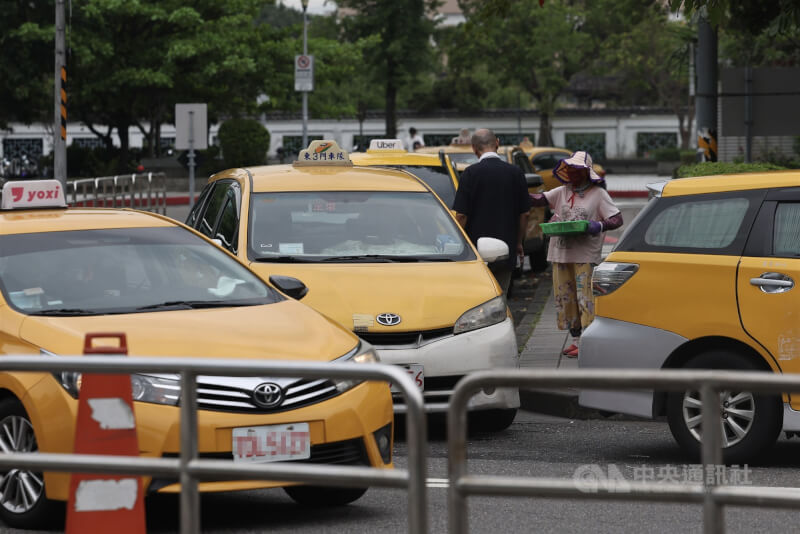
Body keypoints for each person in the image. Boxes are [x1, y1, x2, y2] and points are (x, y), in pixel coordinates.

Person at [529, 151, 623, 357]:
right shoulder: (562, 191)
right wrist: (517, 191)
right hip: (561, 253)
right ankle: (576, 340)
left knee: (585, 298)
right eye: (569, 169)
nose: (572, 173)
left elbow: (617, 219)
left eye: (576, 169)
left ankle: (587, 343)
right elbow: (538, 200)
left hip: (585, 255)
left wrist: (597, 225)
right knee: (566, 298)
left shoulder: (598, 194)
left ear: (586, 172)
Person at [452, 128, 531, 295]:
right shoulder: (515, 173)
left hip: (476, 252)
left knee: (479, 298)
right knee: (501, 295)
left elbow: (461, 215)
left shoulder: (470, 174)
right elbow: (525, 214)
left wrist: (458, 244)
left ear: (474, 148)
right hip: (506, 247)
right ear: (497, 143)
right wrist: (518, 242)